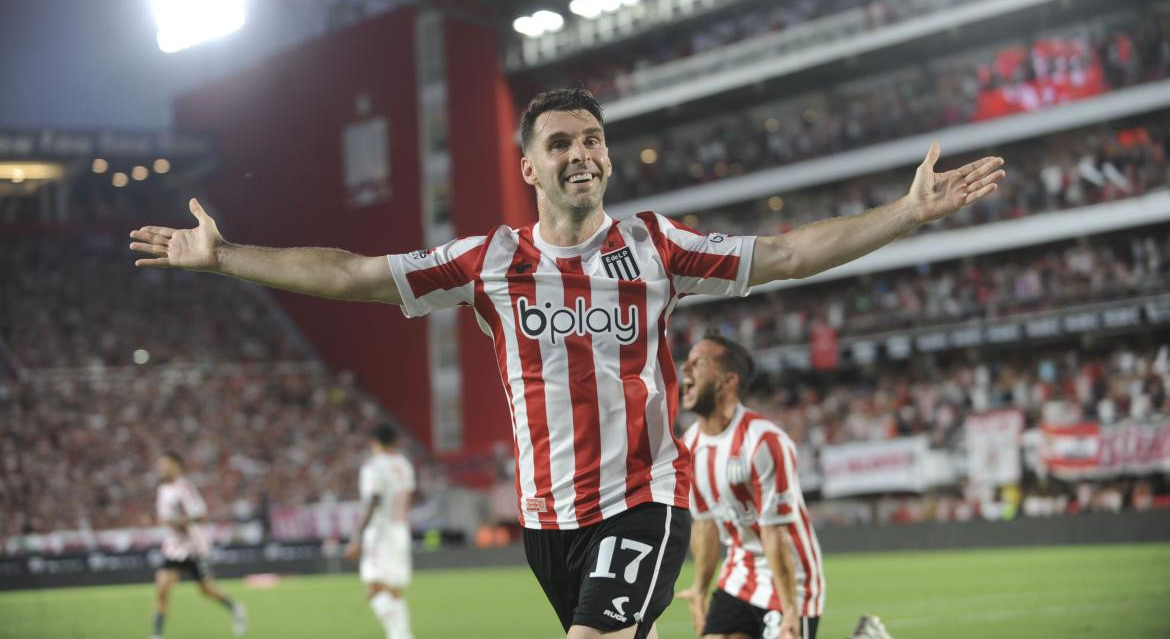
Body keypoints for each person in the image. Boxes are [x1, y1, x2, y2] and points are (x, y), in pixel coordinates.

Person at [130, 87, 1004, 638]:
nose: (580, 151)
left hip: (644, 499)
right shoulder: (489, 262)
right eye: (560, 142)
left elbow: (784, 252)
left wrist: (906, 213)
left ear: (608, 156)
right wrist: (227, 256)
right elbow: (353, 274)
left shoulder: (657, 246)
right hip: (548, 523)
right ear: (529, 166)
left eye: (592, 138)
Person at [675, 333, 821, 639]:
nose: (685, 368)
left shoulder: (764, 442)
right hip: (739, 572)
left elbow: (773, 531)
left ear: (729, 381)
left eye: (698, 363)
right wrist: (700, 590)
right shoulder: (689, 447)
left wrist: (790, 608)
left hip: (790, 576)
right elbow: (705, 526)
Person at [151, 451, 246, 639]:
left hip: (194, 547)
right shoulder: (162, 490)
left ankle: (236, 608)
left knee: (206, 589)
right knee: (162, 587)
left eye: (165, 464)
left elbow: (201, 515)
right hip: (173, 547)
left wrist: (178, 522)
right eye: (160, 465)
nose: (161, 468)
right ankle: (156, 634)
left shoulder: (184, 487)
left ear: (176, 465)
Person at [345, 424, 417, 639]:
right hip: (400, 529)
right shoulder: (404, 465)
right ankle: (402, 635)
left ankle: (400, 635)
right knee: (394, 590)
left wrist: (358, 537)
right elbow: (410, 496)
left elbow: (374, 499)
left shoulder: (373, 466)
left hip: (380, 531)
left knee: (374, 587)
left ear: (374, 441)